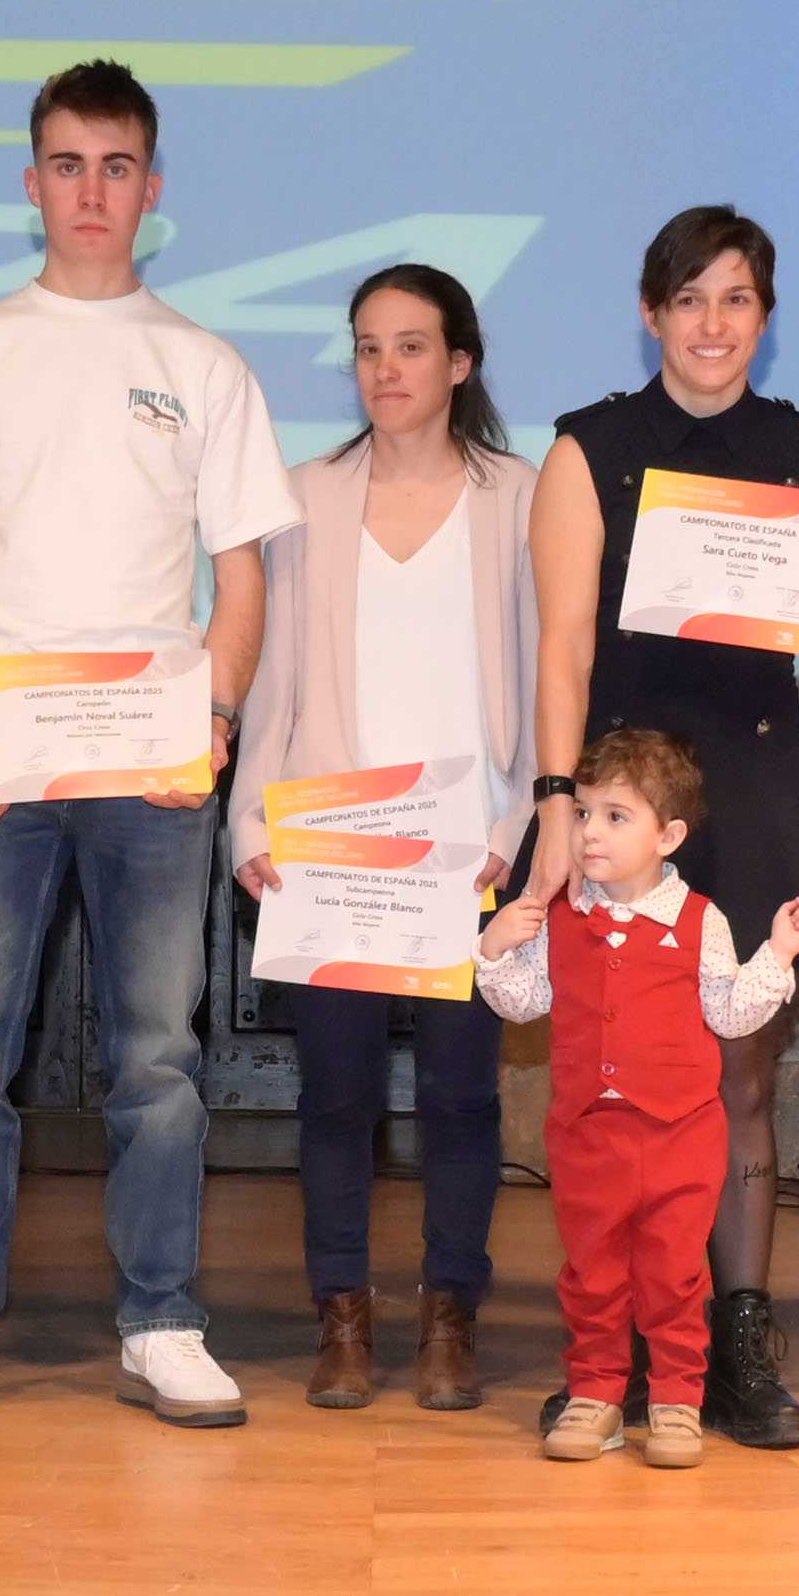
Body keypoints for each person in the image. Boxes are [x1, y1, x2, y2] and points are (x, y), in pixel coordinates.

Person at [0, 58, 289, 1436]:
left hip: (153, 770)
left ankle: (162, 1320)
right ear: (29, 181)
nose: (88, 191)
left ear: (150, 190)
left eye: (114, 167)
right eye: (64, 164)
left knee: (158, 1057)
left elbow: (241, 576)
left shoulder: (201, 365)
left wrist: (209, 725)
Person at [527, 206, 799, 1447]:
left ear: (764, 316)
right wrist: (556, 806)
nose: (710, 323)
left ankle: (730, 1344)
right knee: (609, 1074)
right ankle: (619, 1349)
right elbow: (562, 647)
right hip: (621, 806)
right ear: (650, 312)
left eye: (735, 299)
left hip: (744, 796)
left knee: (735, 1084)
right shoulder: (591, 446)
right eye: (687, 298)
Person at [228, 259, 533, 1413]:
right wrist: (252, 818)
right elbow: (269, 683)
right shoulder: (302, 497)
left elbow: (551, 673)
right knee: (335, 1098)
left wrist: (519, 827)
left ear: (458, 361)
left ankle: (449, 1317)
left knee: (462, 1100)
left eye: (410, 345)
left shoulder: (520, 495)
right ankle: (340, 1319)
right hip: (334, 853)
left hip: (470, 855)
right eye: (366, 346)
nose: (385, 368)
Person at [472, 726, 799, 1467]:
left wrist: (778, 954)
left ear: (668, 836)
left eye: (614, 816)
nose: (589, 832)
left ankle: (675, 1402)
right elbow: (522, 1003)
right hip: (586, 1138)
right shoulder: (558, 917)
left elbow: (730, 1014)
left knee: (673, 1274)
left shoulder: (701, 922)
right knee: (591, 1274)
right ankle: (596, 1395)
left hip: (680, 1142)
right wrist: (495, 948)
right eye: (584, 814)